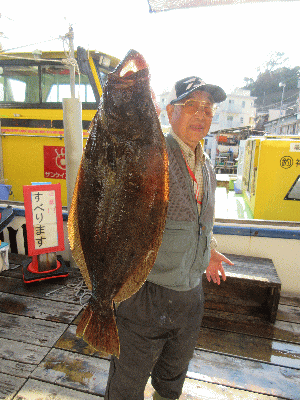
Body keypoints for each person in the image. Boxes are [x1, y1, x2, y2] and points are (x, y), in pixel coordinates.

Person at [104, 76, 234, 400]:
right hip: (145, 295)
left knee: (172, 379)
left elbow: (202, 220)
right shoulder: (152, 154)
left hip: (190, 296)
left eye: (208, 108)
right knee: (126, 383)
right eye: (192, 106)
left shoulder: (206, 165)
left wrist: (210, 250)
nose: (201, 115)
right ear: (170, 111)